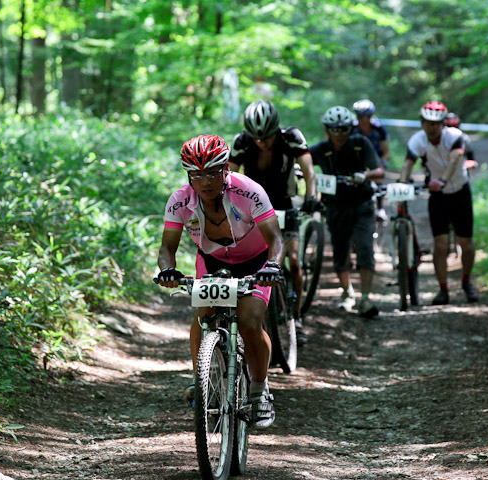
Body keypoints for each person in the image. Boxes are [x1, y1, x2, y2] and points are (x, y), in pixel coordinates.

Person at [156, 134, 284, 428]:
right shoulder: (180, 201)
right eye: (197, 175)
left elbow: (275, 238)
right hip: (212, 260)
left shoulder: (249, 191)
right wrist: (167, 270)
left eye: (213, 172)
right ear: (189, 175)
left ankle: (259, 391)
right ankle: (200, 381)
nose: (205, 181)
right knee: (203, 317)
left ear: (226, 168)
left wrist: (273, 265)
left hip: (256, 262)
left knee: (250, 321)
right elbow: (167, 248)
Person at [229, 100, 318, 346]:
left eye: (266, 137)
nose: (262, 142)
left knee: (294, 262)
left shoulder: (291, 137)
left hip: (283, 203)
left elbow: (309, 172)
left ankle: (297, 317)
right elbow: (228, 177)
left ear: (275, 130)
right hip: (253, 207)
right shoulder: (242, 142)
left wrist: (311, 198)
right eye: (257, 138)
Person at [399, 101, 479, 305]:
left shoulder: (454, 136)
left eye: (435, 124)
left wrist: (442, 180)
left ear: (442, 124)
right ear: (422, 123)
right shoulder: (418, 140)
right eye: (427, 123)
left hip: (460, 192)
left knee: (466, 245)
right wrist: (401, 185)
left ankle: (466, 281)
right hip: (438, 197)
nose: (431, 127)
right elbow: (408, 164)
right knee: (440, 245)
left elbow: (454, 160)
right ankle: (443, 289)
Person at [309, 106, 385, 318]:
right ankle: (347, 292)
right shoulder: (321, 149)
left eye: (344, 129)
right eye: (335, 129)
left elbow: (379, 172)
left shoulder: (361, 144)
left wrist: (365, 175)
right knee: (340, 250)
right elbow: (302, 160)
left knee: (365, 247)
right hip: (335, 207)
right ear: (327, 129)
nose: (340, 134)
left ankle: (366, 297)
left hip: (362, 204)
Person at [352, 99, 390, 168]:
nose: (363, 120)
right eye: (360, 117)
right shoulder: (352, 128)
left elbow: (386, 152)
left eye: (366, 117)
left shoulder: (379, 129)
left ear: (371, 116)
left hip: (376, 161)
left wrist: (381, 165)